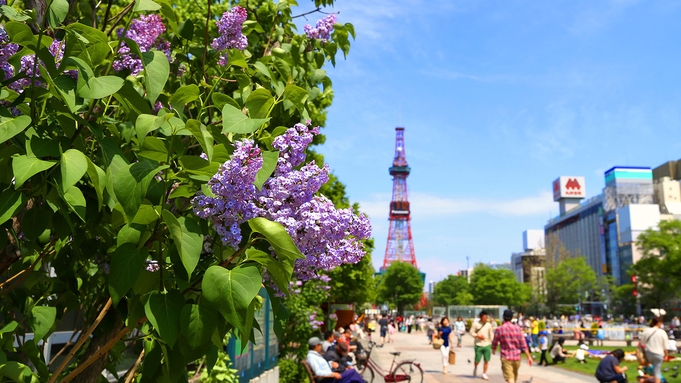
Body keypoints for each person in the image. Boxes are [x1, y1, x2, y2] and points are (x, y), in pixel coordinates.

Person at [492, 309, 533, 383]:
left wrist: (494, 349)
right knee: (513, 378)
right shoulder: (517, 329)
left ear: (503, 317)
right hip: (517, 357)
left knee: (510, 378)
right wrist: (529, 357)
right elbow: (523, 344)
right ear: (512, 317)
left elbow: (495, 341)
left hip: (506, 357)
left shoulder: (499, 329)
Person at [640, 317, 670, 383]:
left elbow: (642, 343)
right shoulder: (662, 332)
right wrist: (666, 355)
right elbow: (665, 346)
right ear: (659, 323)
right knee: (657, 372)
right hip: (658, 354)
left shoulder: (646, 330)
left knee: (649, 370)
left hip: (648, 354)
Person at [470, 311, 494, 380]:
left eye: (487, 317)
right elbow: (471, 332)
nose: (486, 318)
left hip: (487, 344)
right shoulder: (475, 324)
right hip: (478, 344)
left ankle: (484, 373)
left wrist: (492, 340)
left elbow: (491, 333)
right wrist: (478, 336)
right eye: (485, 317)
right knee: (477, 359)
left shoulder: (488, 324)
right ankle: (475, 367)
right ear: (481, 317)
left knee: (486, 360)